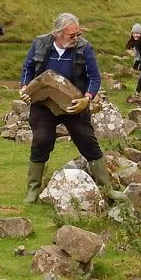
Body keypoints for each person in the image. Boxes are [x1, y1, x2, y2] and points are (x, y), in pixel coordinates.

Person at [18, 12, 115, 202]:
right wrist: (24, 87)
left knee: (88, 141)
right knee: (41, 140)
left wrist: (86, 100)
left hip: (74, 104)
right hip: (43, 103)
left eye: (78, 34)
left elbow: (95, 78)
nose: (76, 38)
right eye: (73, 35)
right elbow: (27, 68)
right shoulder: (40, 44)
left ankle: (107, 189)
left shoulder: (84, 48)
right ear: (58, 34)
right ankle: (33, 190)